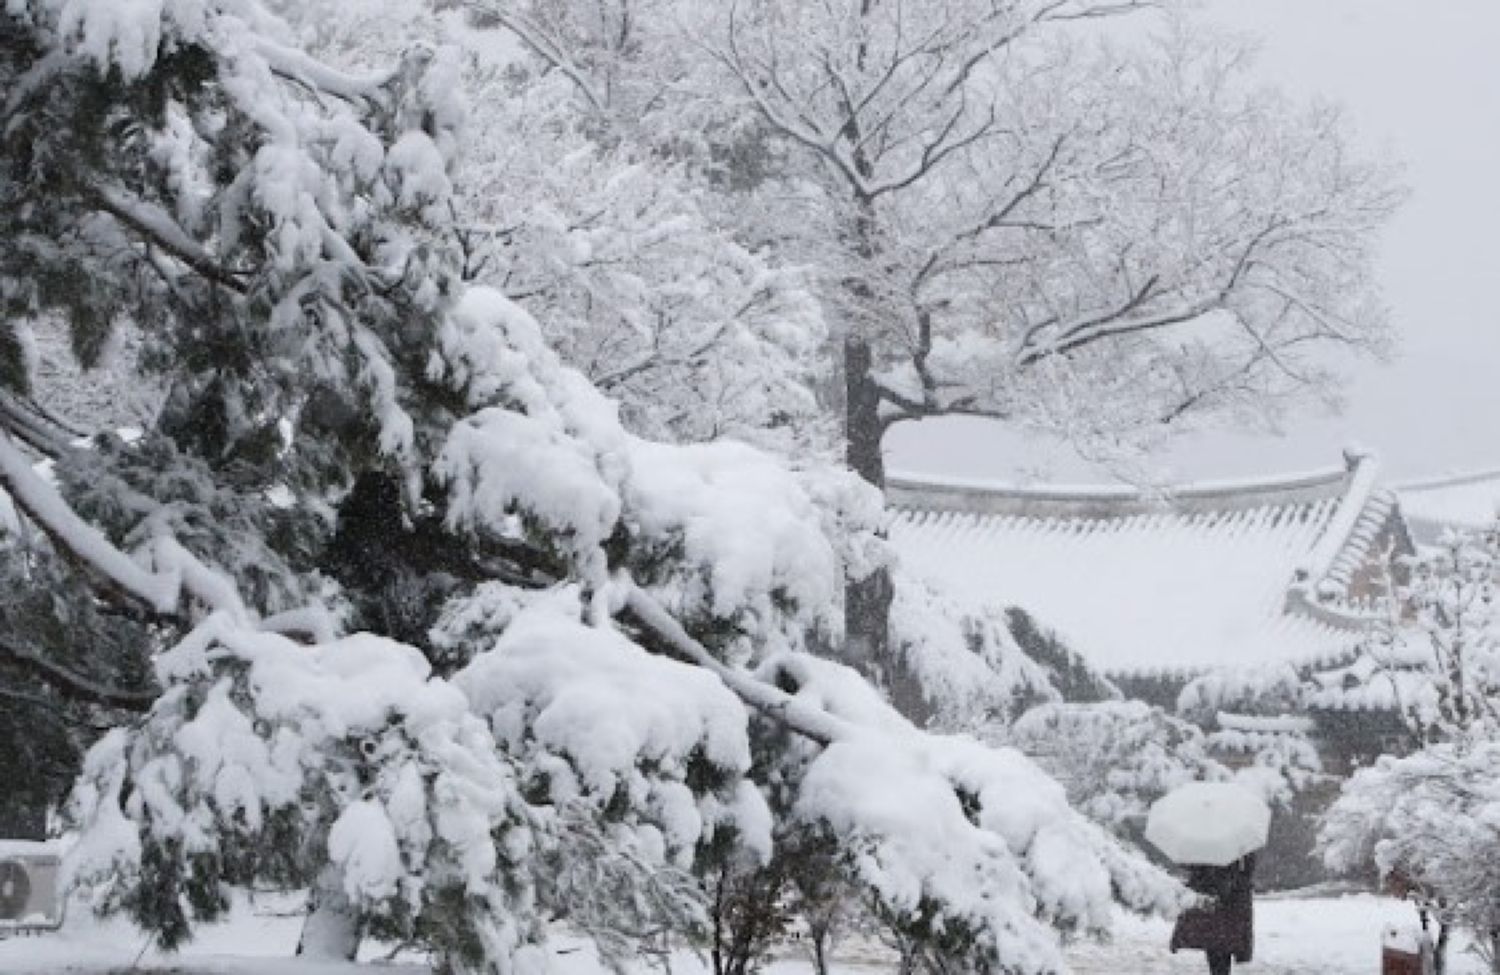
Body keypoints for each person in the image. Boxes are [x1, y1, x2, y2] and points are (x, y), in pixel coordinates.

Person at [1169, 852, 1256, 975]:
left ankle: (1218, 969)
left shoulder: (1203, 847)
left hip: (1212, 898)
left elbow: (1191, 866)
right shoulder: (1237, 846)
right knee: (1222, 945)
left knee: (1214, 943)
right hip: (1229, 900)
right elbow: (1248, 868)